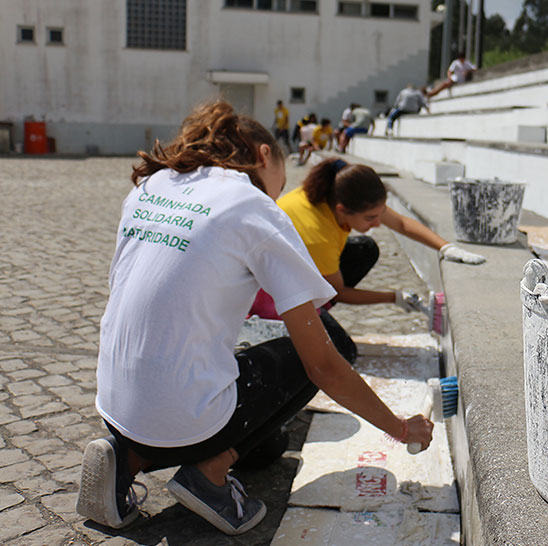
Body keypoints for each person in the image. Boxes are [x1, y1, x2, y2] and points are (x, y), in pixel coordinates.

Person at [76, 100, 433, 536]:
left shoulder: (150, 185)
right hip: (185, 419)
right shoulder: (253, 204)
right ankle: (207, 476)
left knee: (270, 448)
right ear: (265, 155)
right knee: (333, 343)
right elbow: (323, 365)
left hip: (116, 404)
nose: (282, 190)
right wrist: (399, 427)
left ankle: (126, 457)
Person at [250, 157, 486, 364]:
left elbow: (401, 223)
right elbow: (338, 292)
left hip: (300, 267)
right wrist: (392, 297)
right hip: (268, 294)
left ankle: (317, 309)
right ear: (342, 210)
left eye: (379, 214)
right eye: (371, 218)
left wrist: (446, 247)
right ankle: (289, 326)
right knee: (343, 352)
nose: (377, 223)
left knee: (366, 249)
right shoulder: (317, 234)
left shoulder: (336, 192)